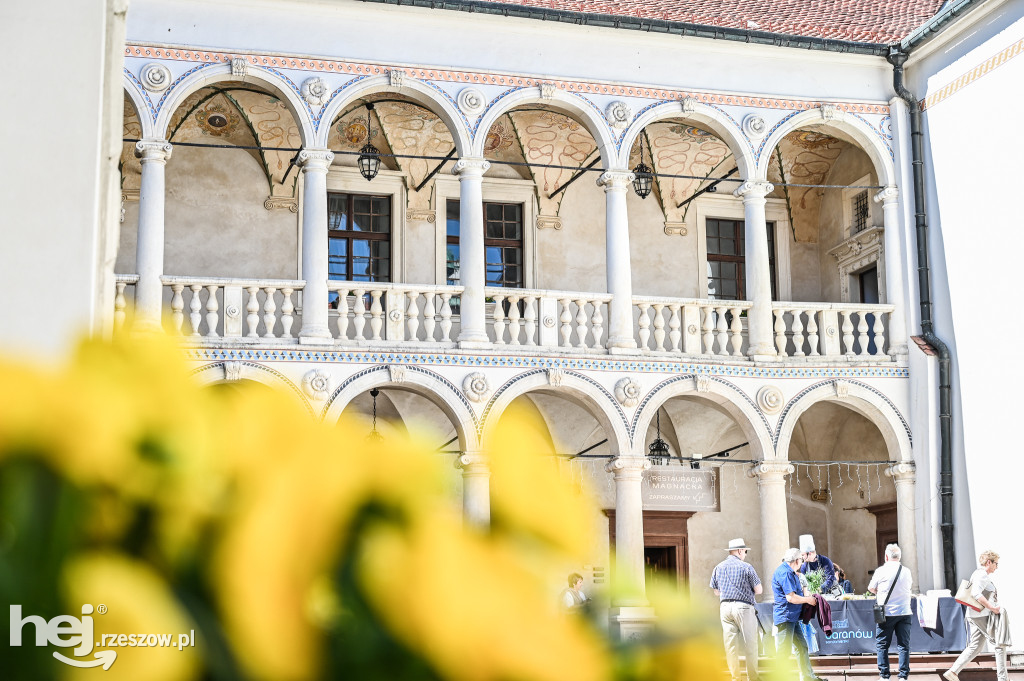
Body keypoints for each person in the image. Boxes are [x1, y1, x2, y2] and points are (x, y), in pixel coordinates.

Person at [944, 551, 1012, 681]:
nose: (997, 567)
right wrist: (992, 607)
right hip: (982, 615)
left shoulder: (978, 574)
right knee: (1000, 644)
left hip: (974, 615)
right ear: (989, 562)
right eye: (996, 563)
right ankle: (1003, 678)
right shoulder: (982, 575)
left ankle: (953, 671)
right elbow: (976, 593)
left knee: (975, 646)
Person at [710, 538, 763, 681]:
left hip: (725, 607)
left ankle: (735, 678)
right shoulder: (746, 567)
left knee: (730, 646)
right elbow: (759, 590)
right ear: (740, 551)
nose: (745, 554)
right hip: (744, 607)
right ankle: (752, 678)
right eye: (745, 551)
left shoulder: (718, 567)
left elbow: (716, 591)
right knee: (750, 644)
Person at [772, 548, 824, 681]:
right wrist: (808, 600)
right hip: (786, 617)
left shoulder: (788, 571)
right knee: (784, 652)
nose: (802, 562)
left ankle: (808, 678)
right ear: (796, 560)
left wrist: (807, 597)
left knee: (802, 646)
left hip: (792, 618)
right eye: (801, 559)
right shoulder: (785, 572)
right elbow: (791, 598)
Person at [868, 543, 913, 680]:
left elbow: (871, 588)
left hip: (886, 613)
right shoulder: (906, 571)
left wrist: (880, 592)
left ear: (886, 556)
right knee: (903, 645)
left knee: (882, 645)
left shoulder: (881, 571)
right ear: (899, 557)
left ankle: (884, 675)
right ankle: (903, 676)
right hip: (904, 612)